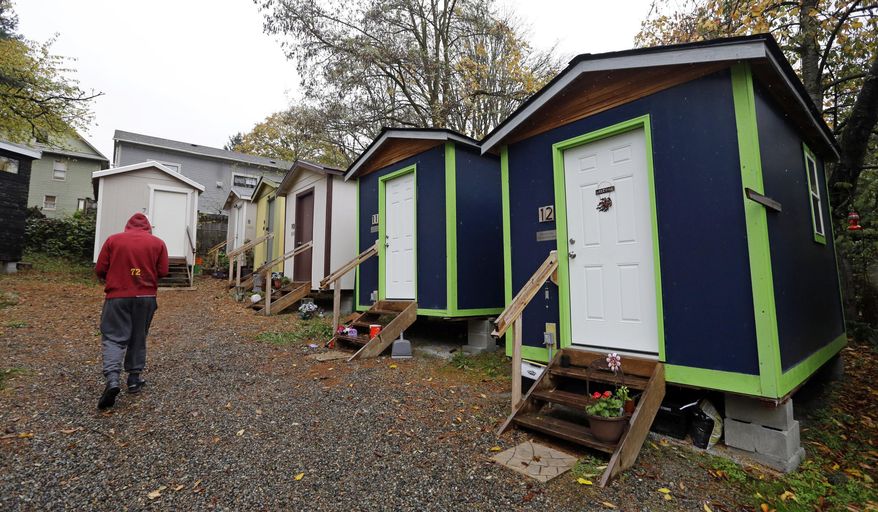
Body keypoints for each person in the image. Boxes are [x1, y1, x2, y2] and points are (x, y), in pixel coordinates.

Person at [94, 213, 168, 410]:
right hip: (145, 298)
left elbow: (100, 269)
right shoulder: (158, 243)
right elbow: (163, 271)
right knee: (138, 336)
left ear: (127, 226)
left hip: (117, 297)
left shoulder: (113, 240)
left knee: (113, 337)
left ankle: (112, 379)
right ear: (148, 228)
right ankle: (134, 380)